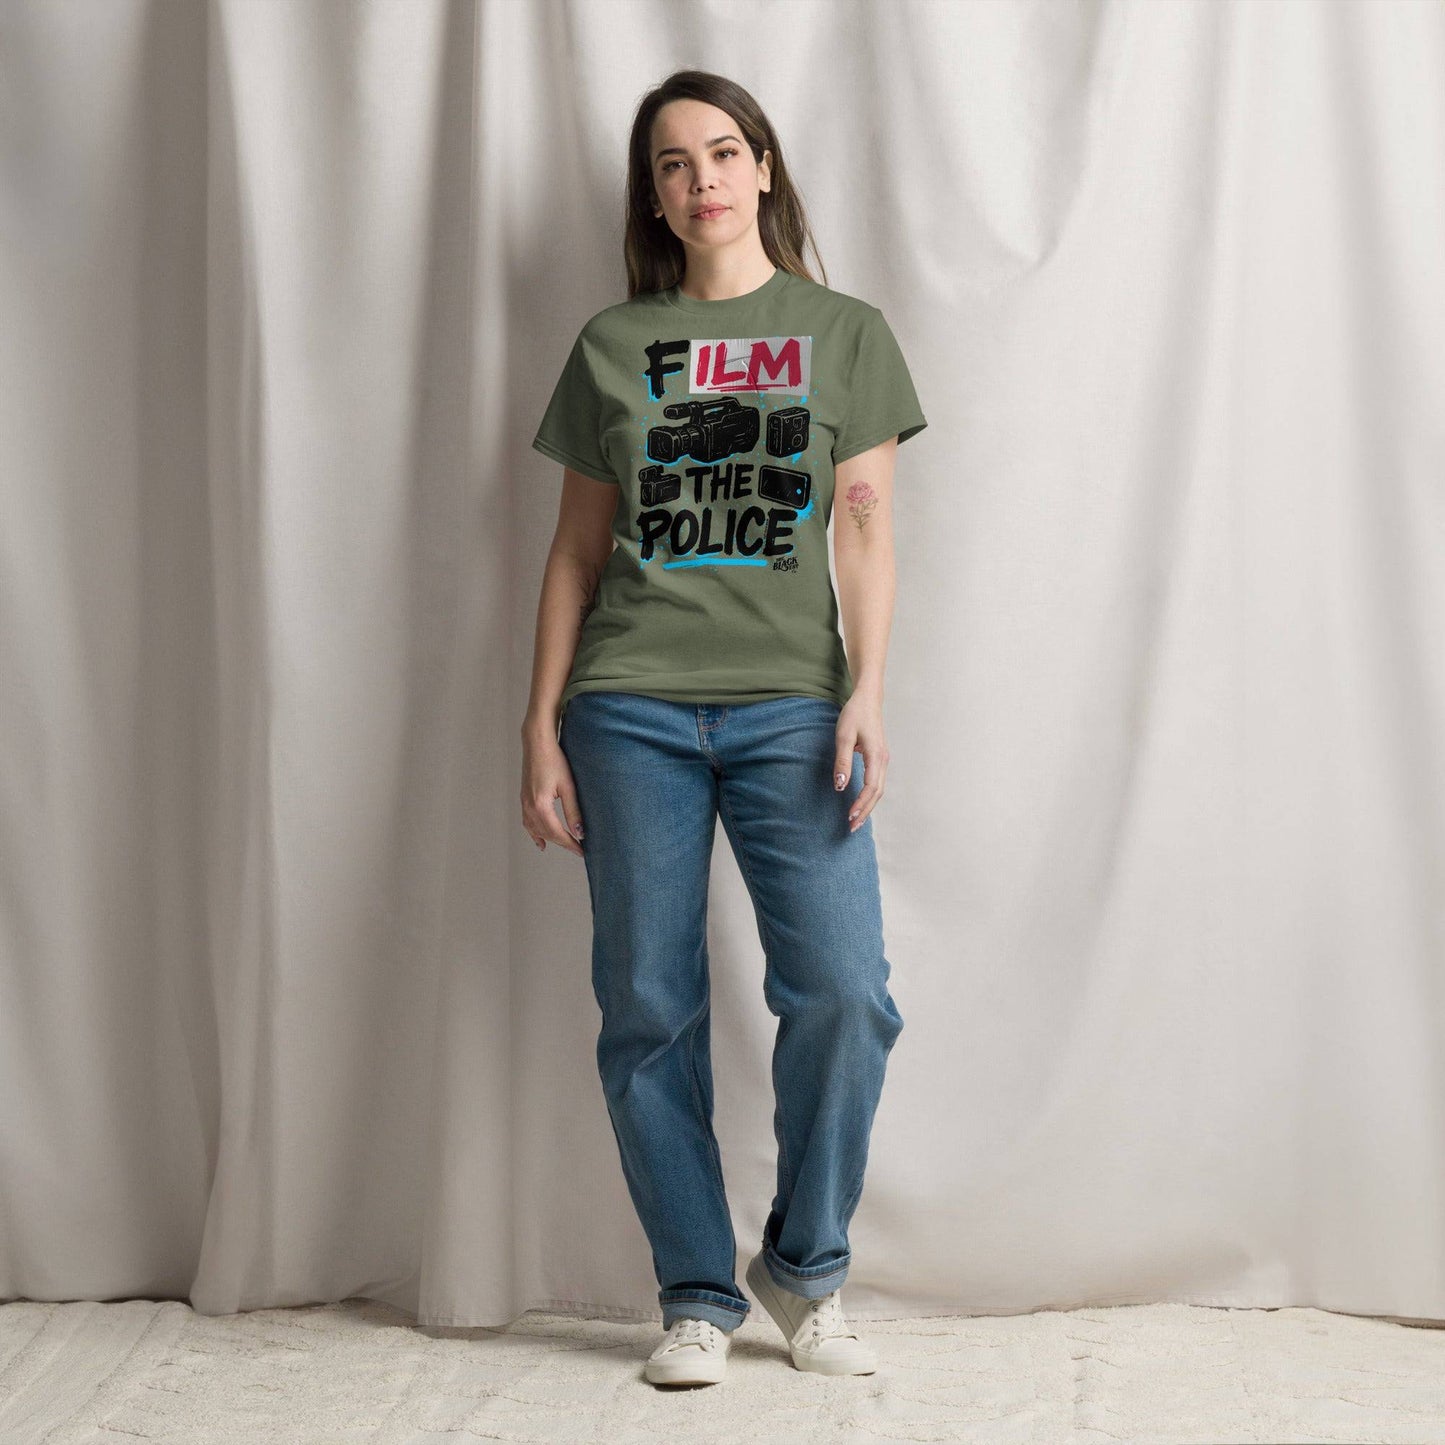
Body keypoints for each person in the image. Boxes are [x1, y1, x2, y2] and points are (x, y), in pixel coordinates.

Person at [520, 68, 927, 1388]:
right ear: (654, 197)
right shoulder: (611, 345)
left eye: (721, 152)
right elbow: (577, 552)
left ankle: (801, 1268)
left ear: (763, 168)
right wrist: (539, 725)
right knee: (645, 1003)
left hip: (790, 709)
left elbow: (859, 526)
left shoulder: (843, 334)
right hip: (626, 708)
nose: (700, 180)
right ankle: (695, 1287)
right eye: (671, 165)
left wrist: (865, 687)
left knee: (844, 997)